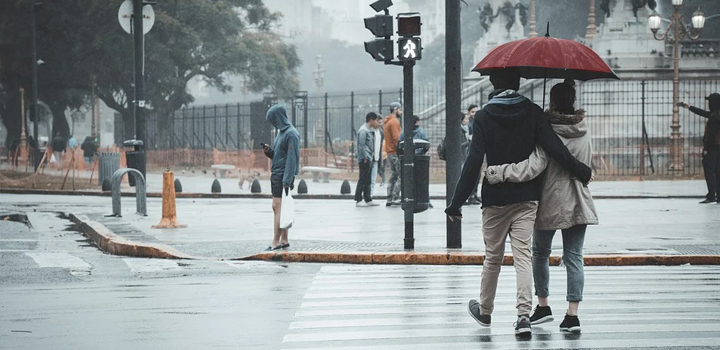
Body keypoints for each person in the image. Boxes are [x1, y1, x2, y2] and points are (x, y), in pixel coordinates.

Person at [445, 70, 592, 336]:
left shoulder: (484, 116)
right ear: (519, 83)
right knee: (523, 256)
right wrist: (580, 169)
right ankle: (524, 316)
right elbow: (554, 148)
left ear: (492, 84)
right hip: (527, 198)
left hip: (495, 198)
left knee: (493, 257)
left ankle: (485, 311)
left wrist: (456, 202)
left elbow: (473, 161)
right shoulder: (534, 112)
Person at [485, 79, 598, 333]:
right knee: (574, 257)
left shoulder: (547, 130)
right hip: (579, 199)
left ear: (553, 101)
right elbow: (587, 162)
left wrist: (500, 173)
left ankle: (543, 305)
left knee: (539, 254)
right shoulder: (584, 127)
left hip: (550, 198)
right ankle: (572, 315)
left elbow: (536, 164)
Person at [261, 105, 300, 251]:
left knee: (277, 207)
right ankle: (284, 240)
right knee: (281, 209)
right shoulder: (281, 133)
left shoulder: (291, 134)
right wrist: (269, 152)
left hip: (283, 175)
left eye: (273, 120)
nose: (273, 123)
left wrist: (287, 180)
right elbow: (280, 155)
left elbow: (292, 159)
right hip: (277, 174)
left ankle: (275, 241)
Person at [680, 93, 720, 204]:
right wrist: (689, 107)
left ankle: (711, 195)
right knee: (718, 171)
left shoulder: (714, 117)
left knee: (710, 172)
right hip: (718, 148)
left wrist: (706, 148)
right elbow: (704, 113)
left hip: (713, 148)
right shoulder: (716, 114)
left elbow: (711, 135)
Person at [355, 112, 381, 207]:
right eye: (375, 120)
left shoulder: (369, 130)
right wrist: (364, 157)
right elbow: (361, 145)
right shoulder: (363, 131)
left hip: (369, 157)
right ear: (371, 120)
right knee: (363, 179)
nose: (376, 122)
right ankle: (358, 199)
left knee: (368, 179)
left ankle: (368, 198)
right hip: (365, 159)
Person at [384, 102, 403, 207]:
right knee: (401, 175)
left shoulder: (387, 122)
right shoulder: (394, 122)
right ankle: (396, 197)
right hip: (396, 152)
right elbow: (397, 138)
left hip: (389, 152)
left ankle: (389, 197)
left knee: (393, 176)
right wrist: (401, 149)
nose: (401, 112)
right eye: (400, 110)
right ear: (395, 110)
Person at [370, 112, 384, 196]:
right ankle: (366, 196)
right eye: (379, 122)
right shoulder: (370, 131)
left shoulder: (380, 132)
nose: (380, 124)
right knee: (367, 179)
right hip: (370, 157)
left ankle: (370, 195)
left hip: (376, 157)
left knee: (373, 179)